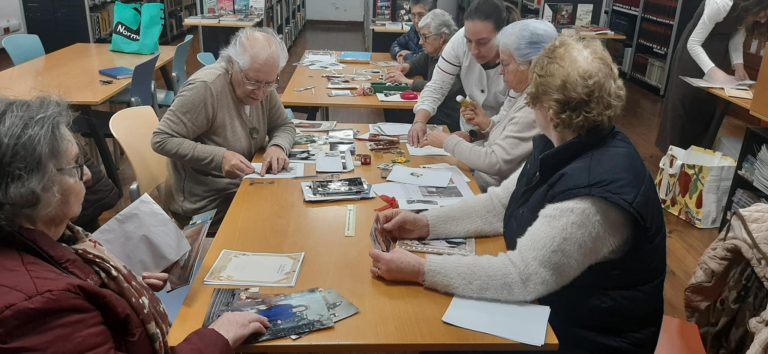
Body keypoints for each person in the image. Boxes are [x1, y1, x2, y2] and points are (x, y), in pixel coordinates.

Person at [369, 36, 667, 353]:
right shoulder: (568, 143)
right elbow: (501, 205)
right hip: (557, 312)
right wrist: (423, 224)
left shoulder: (595, 196)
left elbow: (521, 276)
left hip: (583, 339)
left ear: (549, 110)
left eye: (529, 99)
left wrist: (421, 270)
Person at [0, 97, 272, 353]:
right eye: (74, 166)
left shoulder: (49, 240)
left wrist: (124, 293)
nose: (87, 176)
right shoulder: (40, 306)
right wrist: (217, 337)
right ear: (29, 188)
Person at [152, 28, 296, 229]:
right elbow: (162, 139)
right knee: (279, 226)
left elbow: (283, 125)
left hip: (243, 187)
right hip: (207, 205)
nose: (261, 93)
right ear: (232, 65)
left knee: (292, 212)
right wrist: (221, 158)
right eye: (253, 82)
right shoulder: (206, 88)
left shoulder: (261, 80)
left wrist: (278, 147)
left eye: (270, 83)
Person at [418, 19, 556, 190]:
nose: (500, 71)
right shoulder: (524, 92)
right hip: (481, 176)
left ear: (532, 65)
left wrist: (448, 141)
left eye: (505, 64)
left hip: (486, 185)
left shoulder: (534, 106)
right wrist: (477, 132)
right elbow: (507, 127)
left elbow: (496, 161)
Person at [656, 0, 768, 152]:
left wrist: (738, 66)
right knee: (683, 102)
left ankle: (696, 156)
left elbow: (735, 39)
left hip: (719, 55)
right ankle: (672, 155)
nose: (763, 20)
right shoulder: (721, 3)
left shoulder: (746, 10)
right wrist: (714, 72)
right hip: (694, 52)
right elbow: (693, 43)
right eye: (764, 15)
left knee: (711, 107)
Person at [408, 0, 518, 146]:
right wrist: (419, 121)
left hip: (504, 136)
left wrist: (474, 134)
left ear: (503, 36)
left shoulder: (518, 57)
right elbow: (437, 86)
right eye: (469, 41)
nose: (473, 50)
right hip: (471, 131)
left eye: (483, 42)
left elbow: (510, 118)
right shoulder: (458, 40)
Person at [385, 9, 464, 132]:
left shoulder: (454, 56)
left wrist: (408, 82)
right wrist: (407, 67)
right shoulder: (434, 50)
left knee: (396, 114)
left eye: (425, 37)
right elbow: (420, 62)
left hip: (447, 119)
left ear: (442, 37)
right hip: (434, 110)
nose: (421, 42)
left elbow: (442, 87)